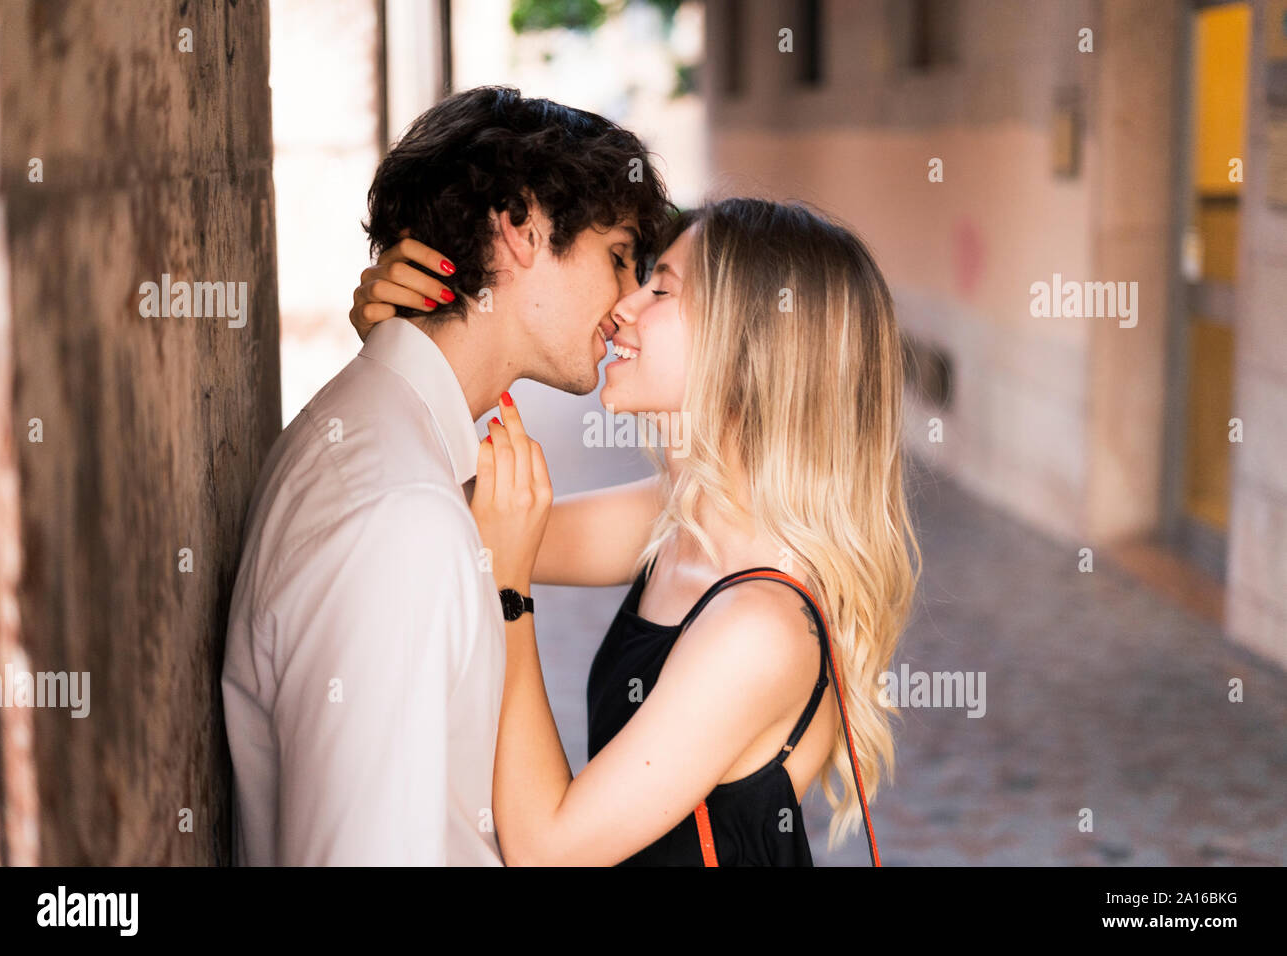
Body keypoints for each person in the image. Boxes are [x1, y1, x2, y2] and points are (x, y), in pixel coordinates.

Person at [351, 198, 920, 865]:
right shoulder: (682, 518)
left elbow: (548, 849)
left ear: (748, 347)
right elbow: (444, 516)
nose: (624, 304)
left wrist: (509, 591)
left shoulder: (761, 628)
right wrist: (406, 345)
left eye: (662, 288)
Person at [221, 85, 673, 865]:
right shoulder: (404, 520)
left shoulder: (392, 443)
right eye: (620, 257)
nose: (630, 301)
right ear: (522, 225)